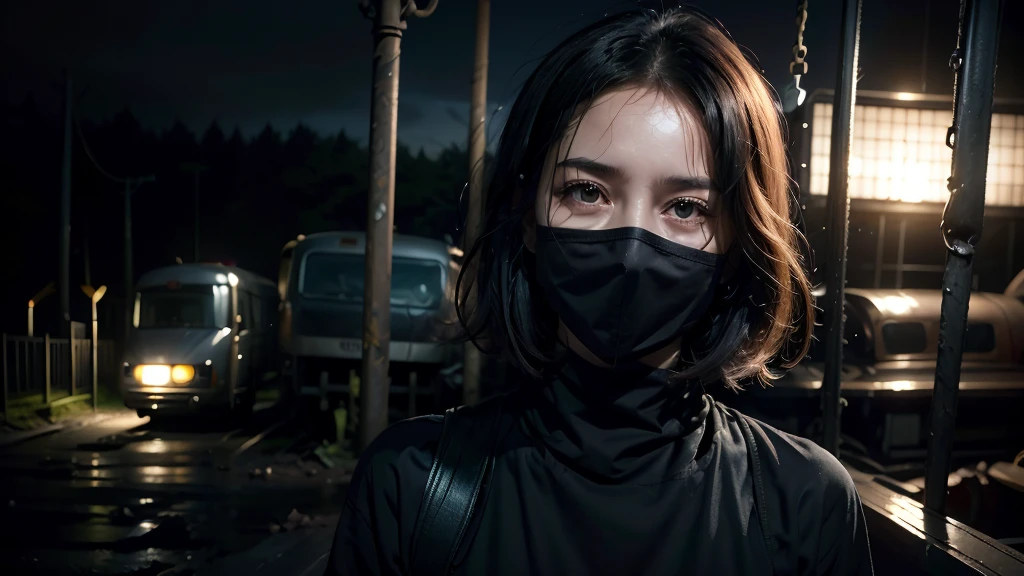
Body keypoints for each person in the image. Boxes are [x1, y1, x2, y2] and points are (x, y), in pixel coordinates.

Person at [326, 6, 873, 575]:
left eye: (685, 207)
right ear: (528, 217)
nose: (632, 248)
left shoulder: (804, 503)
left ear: (739, 244)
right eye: (587, 191)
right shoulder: (410, 483)